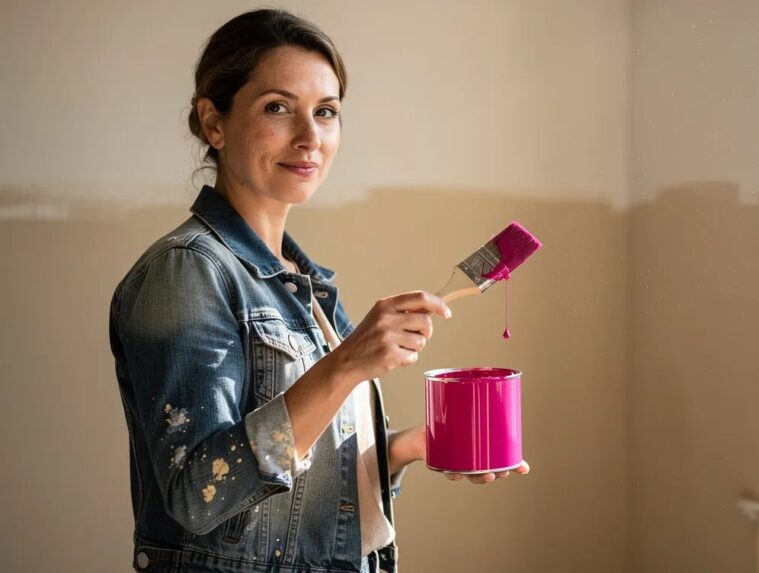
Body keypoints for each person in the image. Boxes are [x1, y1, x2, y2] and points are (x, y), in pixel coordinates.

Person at [108, 9, 528, 573]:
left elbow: (304, 486)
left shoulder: (306, 286)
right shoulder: (186, 271)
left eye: (325, 112)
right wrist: (346, 365)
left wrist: (403, 449)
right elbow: (198, 496)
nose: (310, 138)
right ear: (214, 122)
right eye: (277, 108)